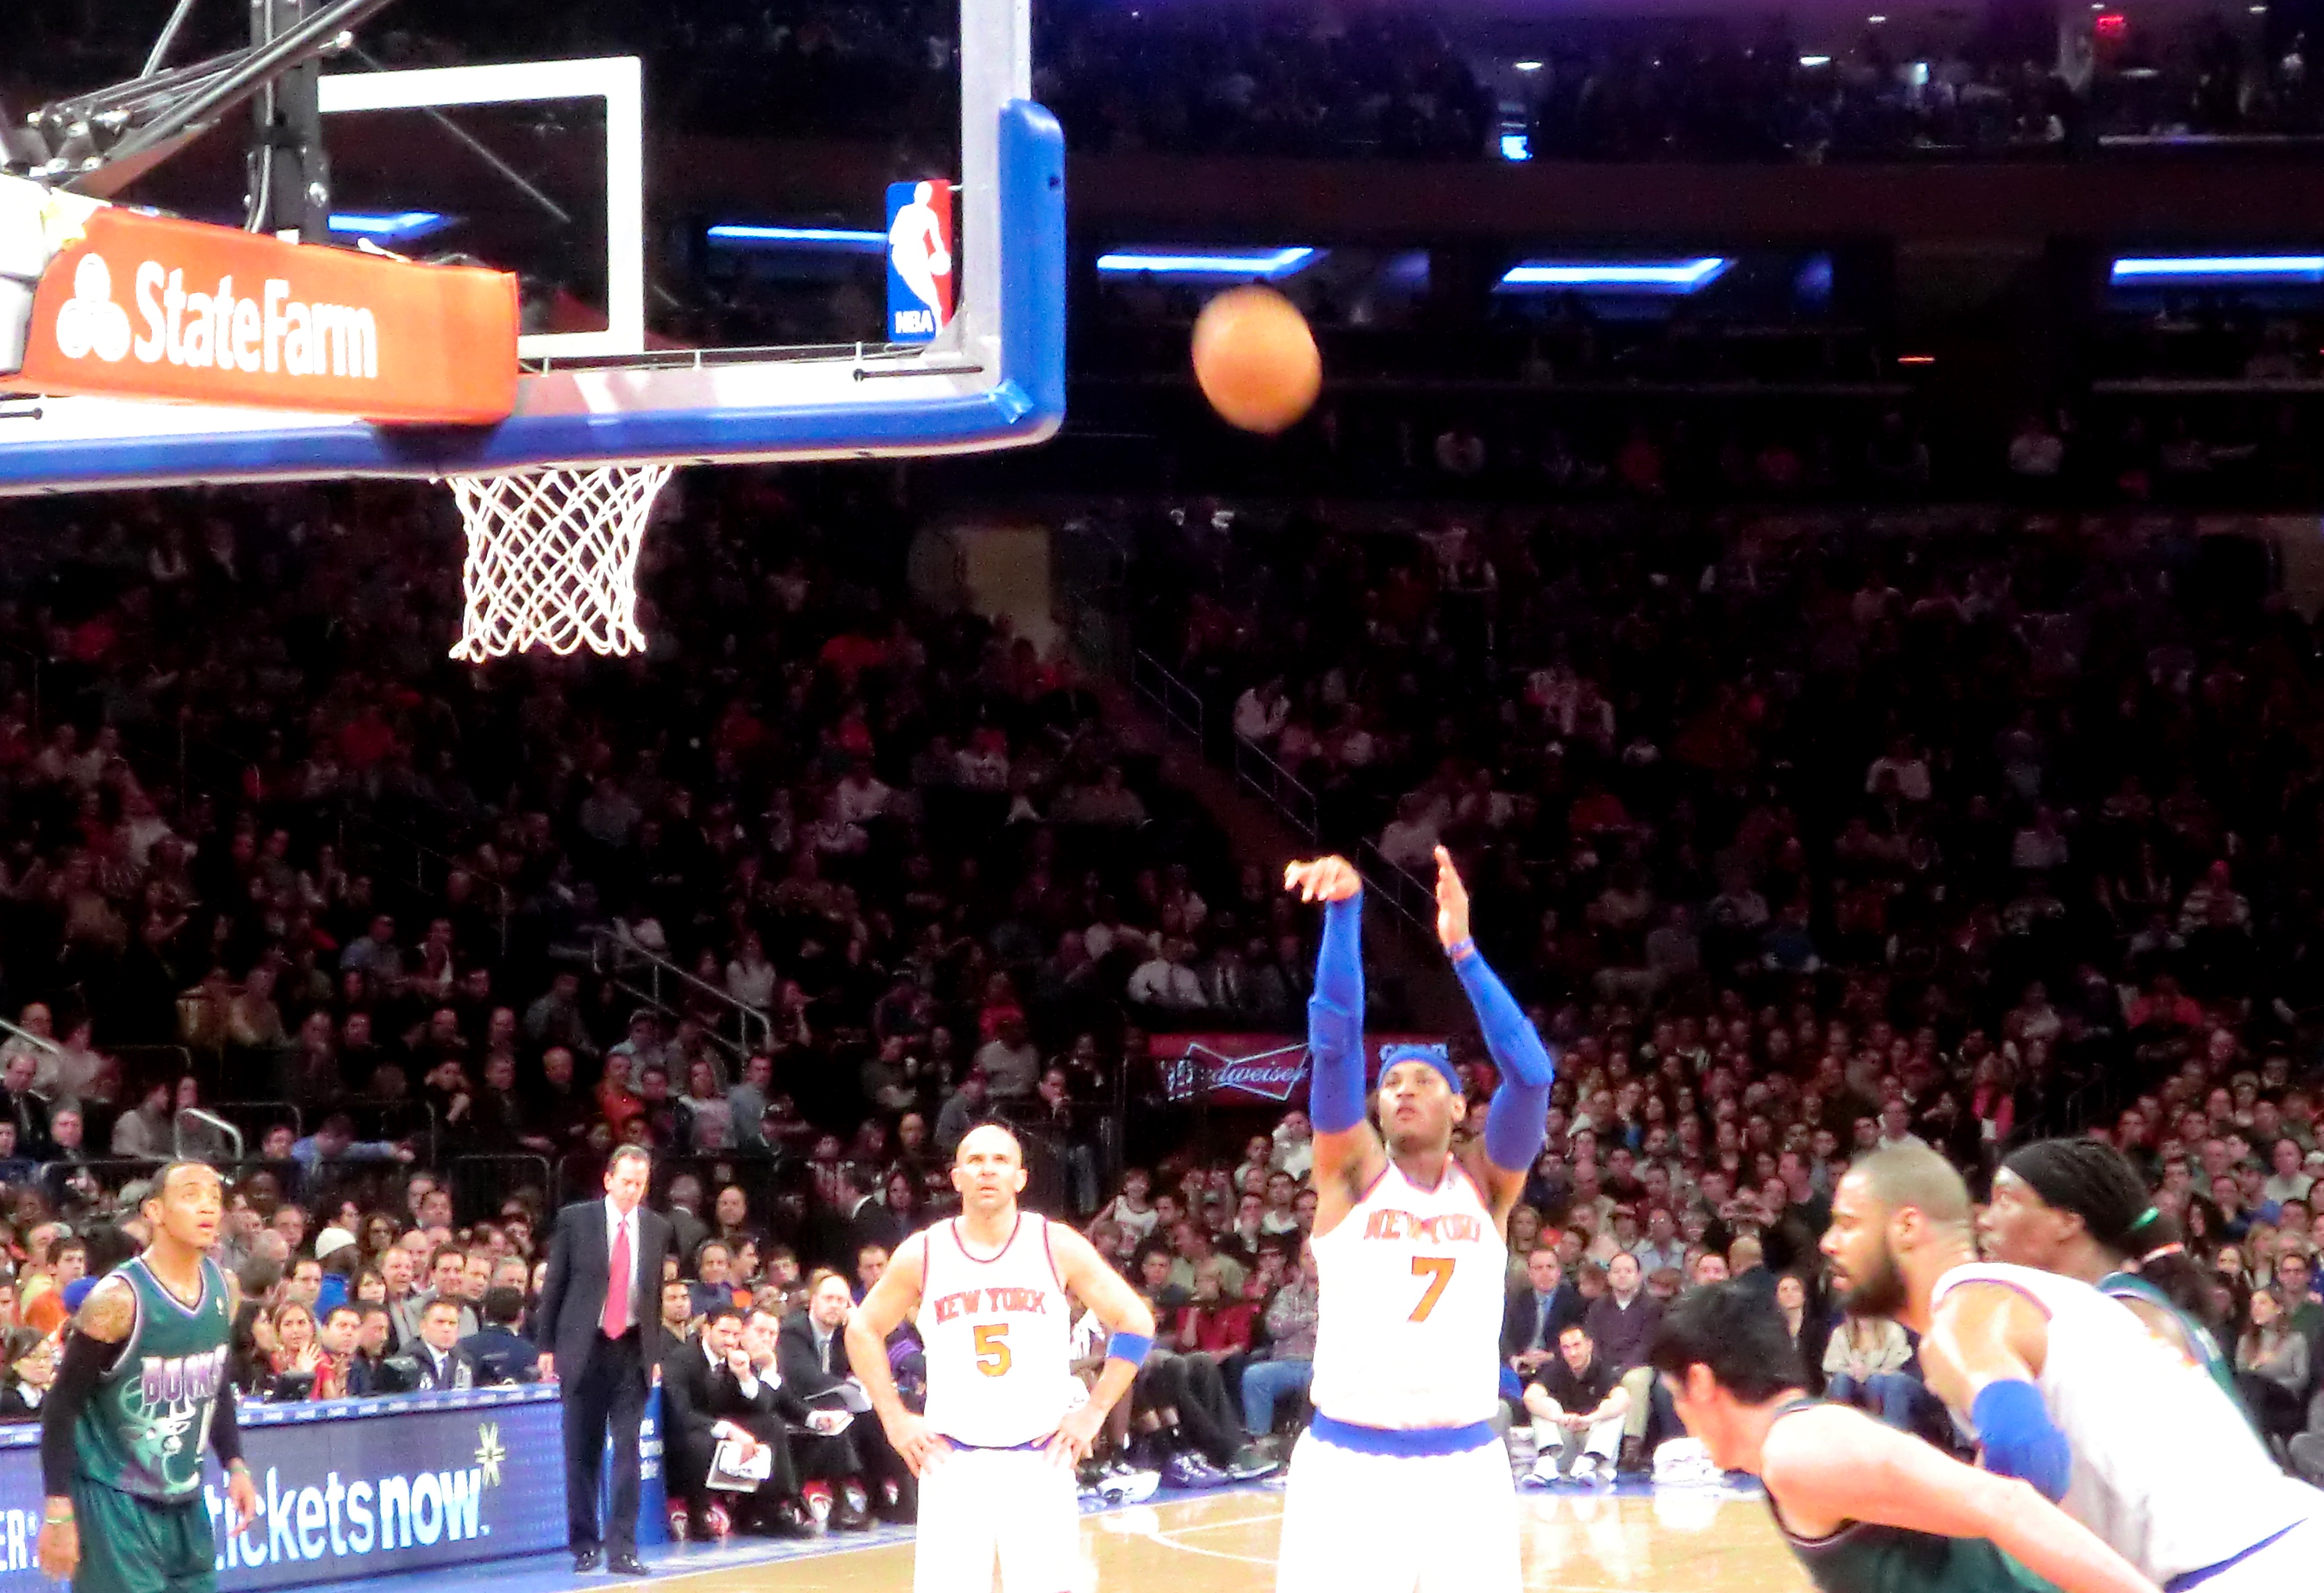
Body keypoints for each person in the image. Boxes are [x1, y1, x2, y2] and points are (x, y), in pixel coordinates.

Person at [1821, 1144, 2324, 1589]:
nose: (1828, 1242)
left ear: (1908, 1226)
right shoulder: (2059, 1297)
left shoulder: (1964, 1311)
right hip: (2284, 1542)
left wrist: (1894, 1504)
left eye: (1847, 1223)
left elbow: (2027, 1455)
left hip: (2240, 1568)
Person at [1271, 849, 1553, 1593]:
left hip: (1467, 1468)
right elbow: (1334, 1044)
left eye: (1424, 1080)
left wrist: (1462, 951)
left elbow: (1532, 1076)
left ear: (1460, 1104)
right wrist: (1344, 912)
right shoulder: (1351, 1172)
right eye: (1392, 1081)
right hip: (1350, 1464)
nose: (1402, 1091)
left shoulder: (1487, 1187)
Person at [1652, 1284, 2165, 1593]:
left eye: (1675, 1394)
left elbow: (2005, 1502)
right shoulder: (1797, 1448)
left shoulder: (1801, 1449)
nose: (1679, 1413)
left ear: (1700, 1382)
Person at [845, 1123, 1155, 1593]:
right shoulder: (923, 1252)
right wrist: (893, 1418)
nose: (987, 1169)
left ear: (1020, 1178)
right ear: (956, 1178)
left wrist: (1094, 1412)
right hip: (951, 1459)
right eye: (974, 1160)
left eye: (1000, 1160)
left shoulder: (1056, 1244)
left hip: (1039, 1458)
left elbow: (1136, 1322)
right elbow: (862, 1329)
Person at [36, 1162, 262, 1593]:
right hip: (114, 1497)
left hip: (185, 1496)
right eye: (191, 1195)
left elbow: (214, 1381)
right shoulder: (117, 1299)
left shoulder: (225, 1288)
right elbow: (61, 1405)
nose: (208, 1207)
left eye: (215, 1197)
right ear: (155, 1211)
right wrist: (58, 1508)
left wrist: (235, 1463)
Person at [1977, 1138, 2245, 1415]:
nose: (1984, 1220)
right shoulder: (2118, 1305)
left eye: (2005, 1200)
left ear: (2068, 1222)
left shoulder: (2124, 1323)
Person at [534, 1145, 675, 1575]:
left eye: (640, 1184)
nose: (632, 1190)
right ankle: (584, 1544)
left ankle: (623, 1549)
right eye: (626, 1181)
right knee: (582, 1451)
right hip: (584, 1347)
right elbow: (555, 1285)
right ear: (608, 1179)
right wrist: (546, 1346)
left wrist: (653, 1352)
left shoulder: (657, 1227)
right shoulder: (576, 1220)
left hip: (631, 1348)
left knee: (628, 1450)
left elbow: (653, 1296)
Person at [1523, 1323, 1627, 1486]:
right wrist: (1559, 1418)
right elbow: (1530, 1396)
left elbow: (1624, 1399)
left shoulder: (1603, 1369)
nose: (1572, 1353)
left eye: (1577, 1345)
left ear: (1589, 1345)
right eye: (1566, 1348)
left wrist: (1590, 1419)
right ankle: (1547, 1461)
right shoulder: (1556, 1369)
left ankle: (1591, 1460)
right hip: (1565, 1444)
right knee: (1544, 1403)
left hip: (1593, 1438)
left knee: (1613, 1407)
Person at [411, 1299, 478, 1391]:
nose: (447, 1329)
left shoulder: (465, 1361)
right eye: (440, 1322)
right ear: (423, 1326)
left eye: (452, 1323)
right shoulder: (409, 1361)